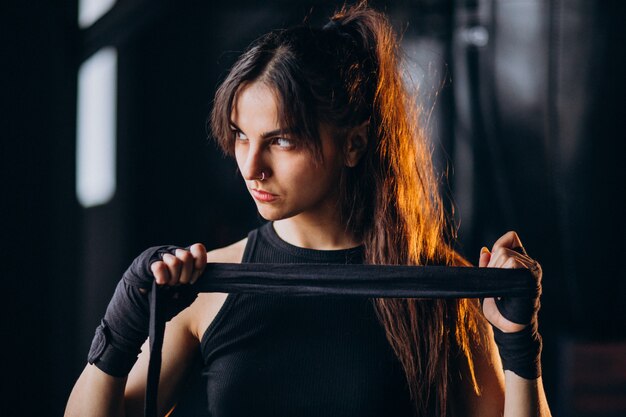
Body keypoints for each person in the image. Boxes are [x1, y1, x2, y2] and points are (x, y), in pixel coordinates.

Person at [65, 2, 552, 416]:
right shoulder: (210, 284)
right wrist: (120, 329)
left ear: (354, 143)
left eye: (281, 141)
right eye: (241, 136)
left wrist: (518, 343)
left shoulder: (434, 285)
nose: (251, 166)